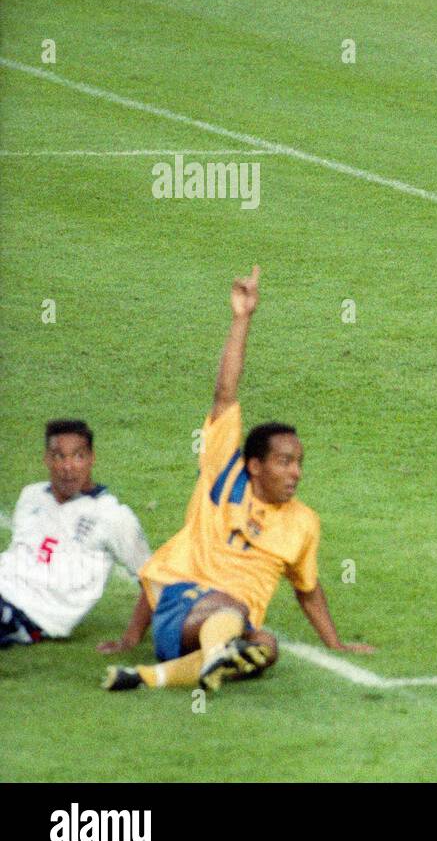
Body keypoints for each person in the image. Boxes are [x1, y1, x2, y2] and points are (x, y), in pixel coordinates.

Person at [102, 266, 373, 692]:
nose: (296, 472)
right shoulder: (223, 475)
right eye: (285, 462)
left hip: (228, 624)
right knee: (231, 610)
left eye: (299, 462)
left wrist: (335, 643)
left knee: (265, 645)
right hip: (182, 606)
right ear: (255, 466)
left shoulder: (303, 522)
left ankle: (151, 676)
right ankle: (215, 653)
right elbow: (225, 394)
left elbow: (308, 589)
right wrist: (241, 317)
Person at [0, 420, 150, 647]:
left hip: (28, 614)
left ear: (92, 459)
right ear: (47, 459)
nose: (67, 466)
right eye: (59, 456)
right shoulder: (32, 495)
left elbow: (154, 579)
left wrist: (130, 639)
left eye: (78, 456)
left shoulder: (113, 516)